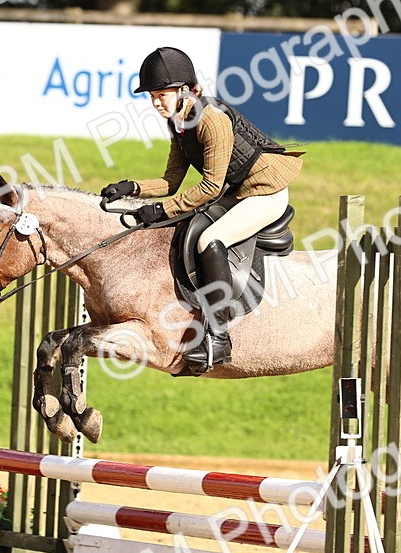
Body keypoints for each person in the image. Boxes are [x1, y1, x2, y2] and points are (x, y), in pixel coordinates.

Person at [100, 47, 303, 372]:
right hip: (237, 191)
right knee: (187, 229)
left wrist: (160, 210)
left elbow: (209, 187)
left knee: (211, 237)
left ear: (184, 91)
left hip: (267, 192)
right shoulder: (179, 124)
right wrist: (132, 188)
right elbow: (171, 181)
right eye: (152, 96)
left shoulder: (211, 120)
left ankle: (219, 335)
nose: (155, 102)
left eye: (161, 94)